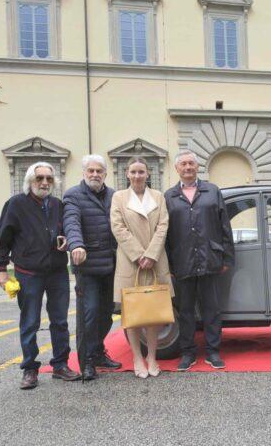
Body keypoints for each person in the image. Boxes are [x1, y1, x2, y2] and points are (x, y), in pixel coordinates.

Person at [0, 162, 81, 389]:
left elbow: (67, 231)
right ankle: (30, 369)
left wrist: (66, 241)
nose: (44, 183)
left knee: (60, 321)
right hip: (28, 272)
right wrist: (0, 269)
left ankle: (60, 365)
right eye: (39, 178)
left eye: (49, 179)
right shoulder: (15, 204)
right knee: (30, 322)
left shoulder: (57, 205)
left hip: (57, 272)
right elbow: (2, 239)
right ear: (29, 181)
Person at [164, 150, 234, 371]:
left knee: (211, 309)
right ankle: (187, 353)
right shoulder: (169, 196)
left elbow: (225, 226)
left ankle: (213, 352)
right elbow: (164, 232)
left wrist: (226, 256)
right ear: (177, 169)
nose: (187, 167)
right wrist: (169, 263)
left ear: (197, 167)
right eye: (183, 164)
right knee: (185, 311)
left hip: (210, 259)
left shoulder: (212, 191)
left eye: (191, 163)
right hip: (182, 260)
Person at [110, 157, 172, 378]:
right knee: (132, 312)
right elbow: (118, 228)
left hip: (155, 260)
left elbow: (163, 225)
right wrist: (138, 255)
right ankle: (137, 357)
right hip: (130, 261)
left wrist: (151, 254)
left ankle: (152, 357)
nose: (137, 176)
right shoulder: (118, 197)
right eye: (133, 172)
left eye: (141, 172)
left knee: (153, 312)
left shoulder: (158, 197)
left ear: (148, 174)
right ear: (127, 174)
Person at [63, 154, 122, 381]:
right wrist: (76, 244)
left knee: (106, 315)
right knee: (88, 316)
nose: (95, 175)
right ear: (84, 173)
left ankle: (97, 352)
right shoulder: (73, 196)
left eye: (99, 171)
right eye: (91, 171)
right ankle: (86, 362)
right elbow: (71, 222)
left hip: (111, 265)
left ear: (105, 174)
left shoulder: (114, 196)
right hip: (87, 267)